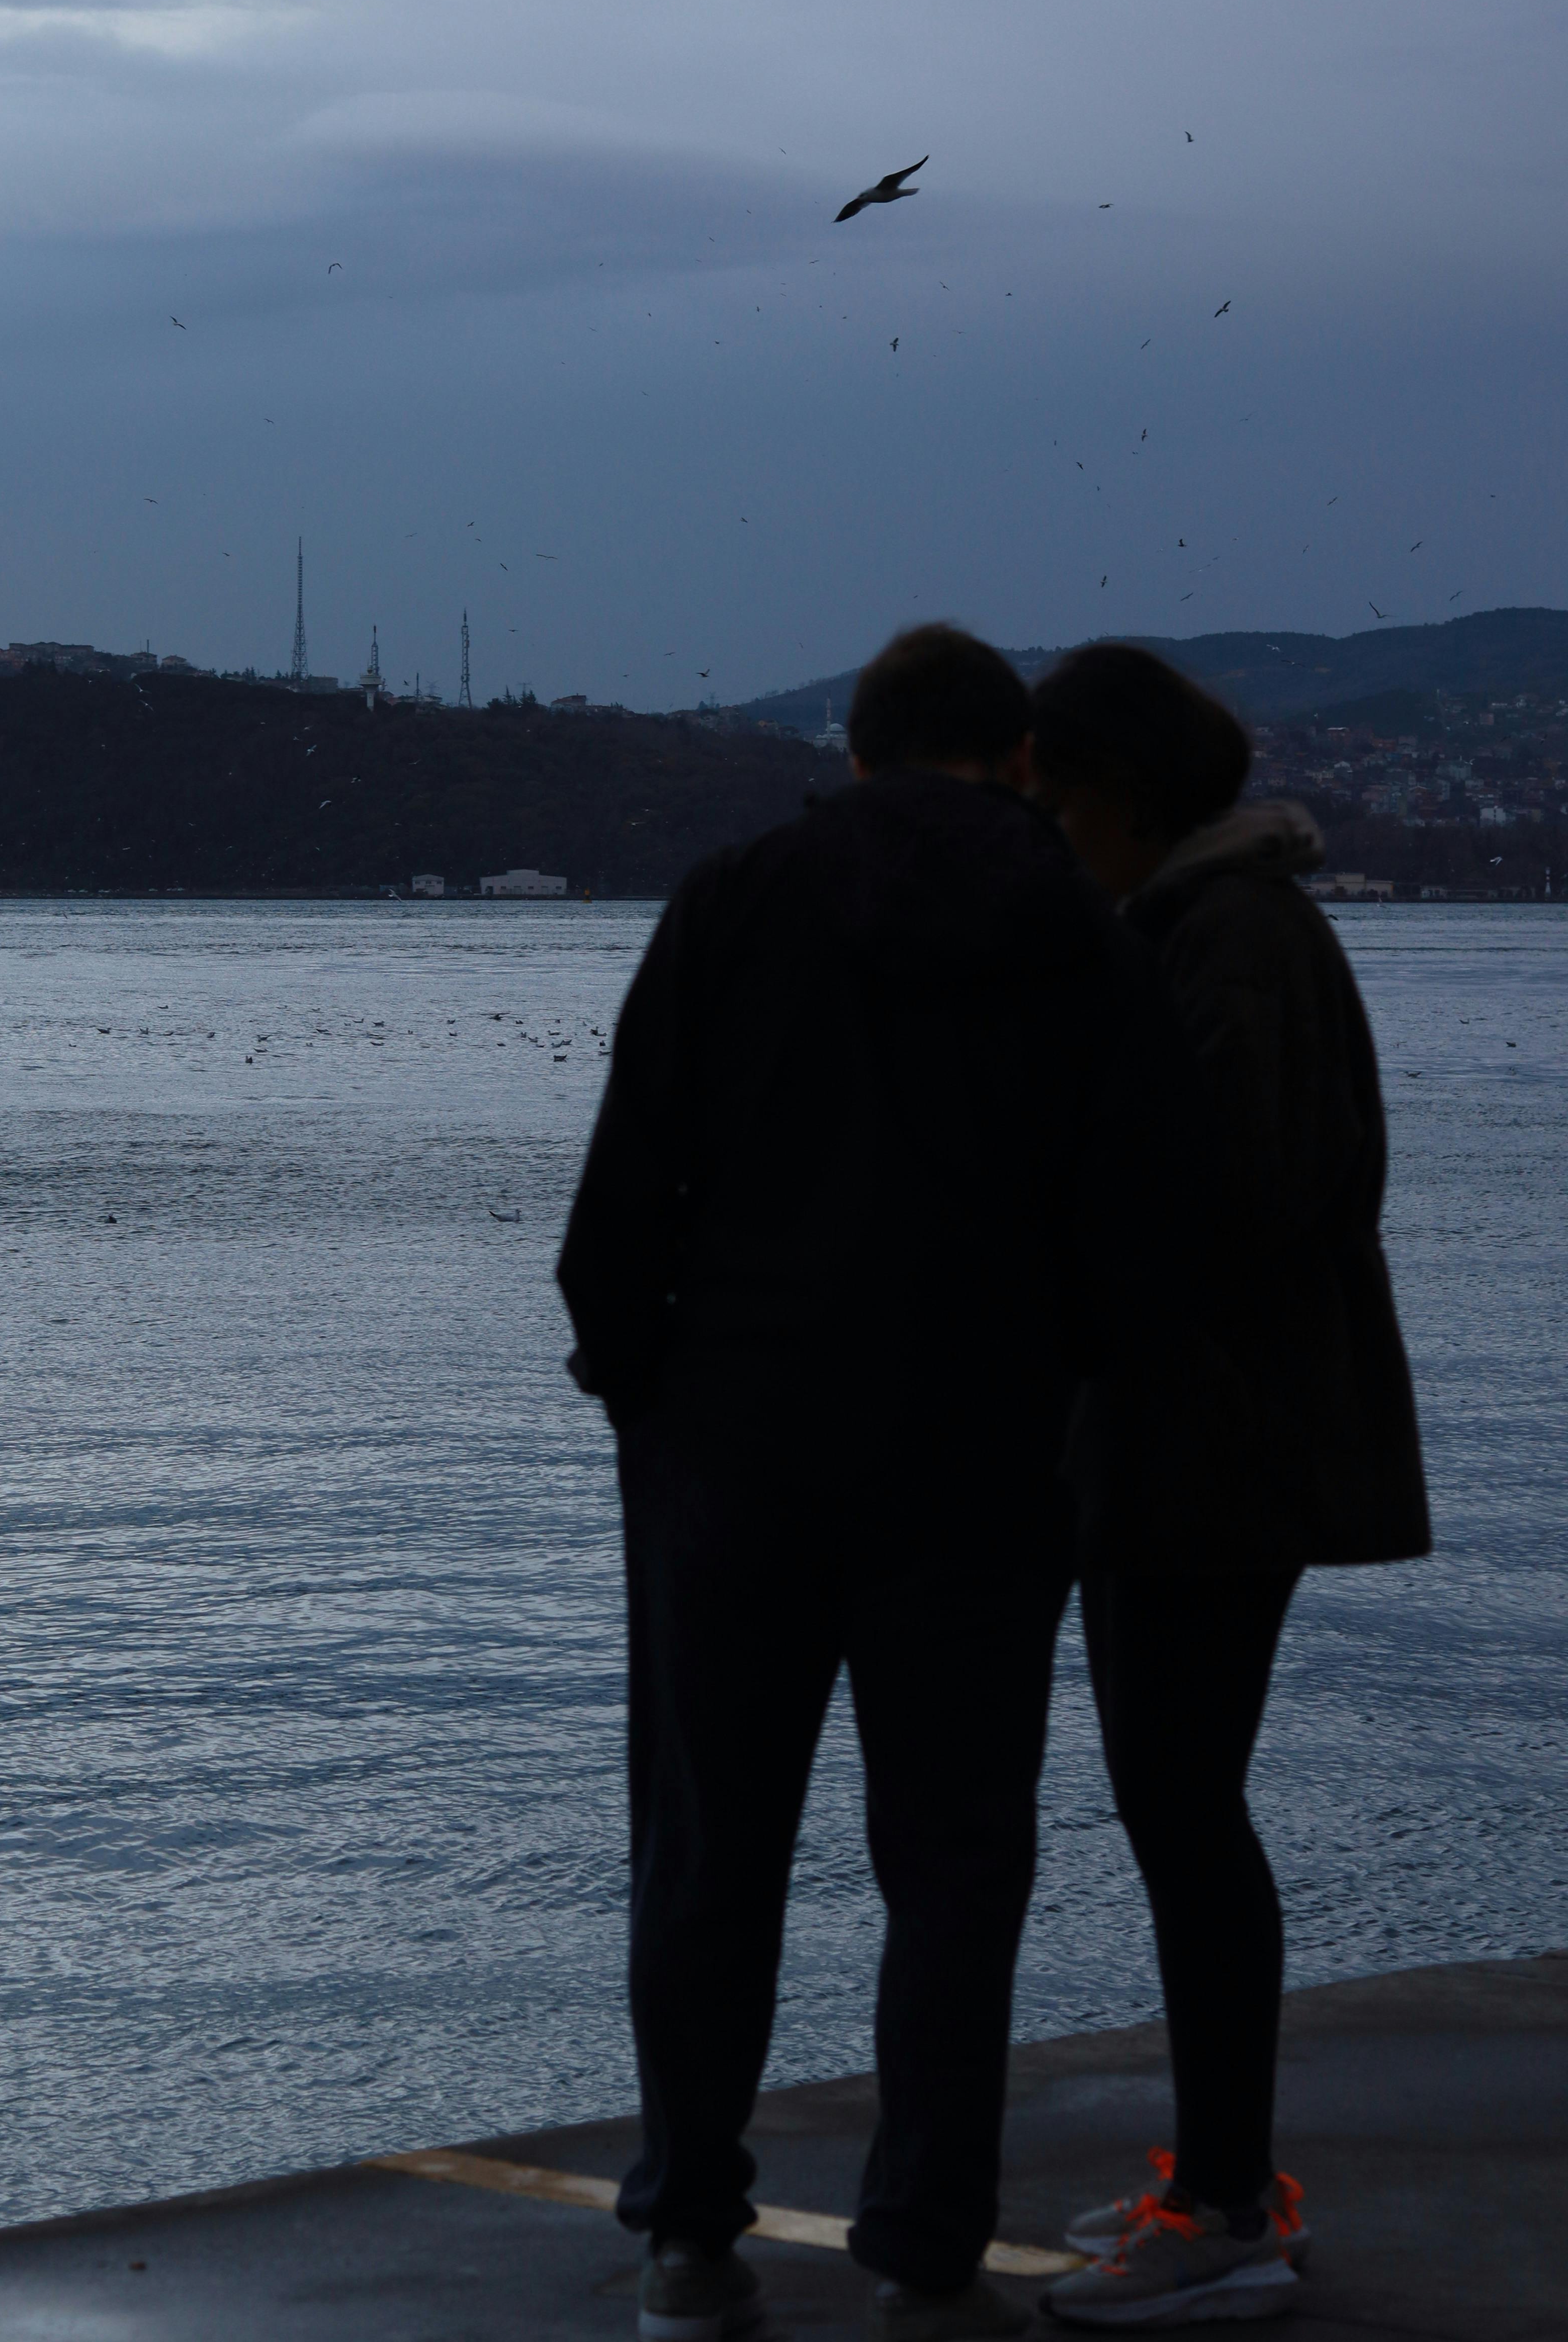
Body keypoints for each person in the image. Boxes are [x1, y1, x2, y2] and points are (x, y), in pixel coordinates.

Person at [558, 625, 1193, 2342]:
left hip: (736, 1448)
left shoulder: (735, 899)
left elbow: (626, 1197)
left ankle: (690, 2232)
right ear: (1020, 763)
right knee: (956, 1867)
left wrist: (642, 1392)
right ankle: (926, 2246)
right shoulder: (1079, 933)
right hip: (981, 1462)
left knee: (708, 1851)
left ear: (852, 749)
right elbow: (1137, 1235)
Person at [1026, 644, 1431, 2333]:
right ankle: (1221, 2176)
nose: (1042, 823)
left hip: (1210, 1455)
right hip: (1202, 1443)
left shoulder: (1233, 940)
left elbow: (1224, 1203)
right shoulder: (1219, 928)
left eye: (1053, 794)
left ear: (1118, 795)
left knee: (1188, 1819)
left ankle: (1222, 2210)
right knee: (1183, 1815)